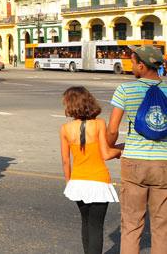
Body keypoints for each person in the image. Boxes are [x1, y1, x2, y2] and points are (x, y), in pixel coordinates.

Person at [106, 45, 167, 254]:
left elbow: (113, 129)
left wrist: (111, 145)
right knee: (161, 227)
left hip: (134, 162)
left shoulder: (126, 90)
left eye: (132, 63)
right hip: (164, 164)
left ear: (141, 65)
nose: (131, 67)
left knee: (132, 225)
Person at [60, 86, 121, 254]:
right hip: (98, 182)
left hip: (77, 182)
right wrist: (120, 150)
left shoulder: (65, 129)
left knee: (85, 223)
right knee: (96, 227)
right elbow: (106, 154)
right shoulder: (99, 124)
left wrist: (69, 183)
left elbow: (66, 161)